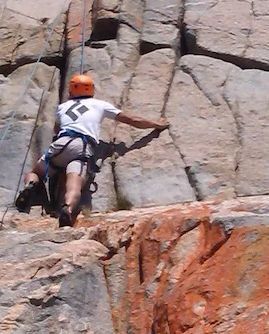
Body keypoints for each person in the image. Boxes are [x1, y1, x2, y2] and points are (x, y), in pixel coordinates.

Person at [16, 73, 169, 226]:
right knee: (74, 185)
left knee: (35, 173)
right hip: (80, 147)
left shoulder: (62, 107)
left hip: (60, 144)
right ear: (91, 90)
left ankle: (30, 185)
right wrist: (156, 124)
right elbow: (131, 119)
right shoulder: (99, 105)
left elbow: (57, 129)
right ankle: (67, 208)